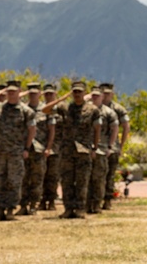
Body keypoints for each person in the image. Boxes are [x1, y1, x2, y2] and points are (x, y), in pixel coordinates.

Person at [0, 80, 36, 221]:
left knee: (14, 181)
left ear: (19, 92)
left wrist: (26, 148)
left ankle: (10, 209)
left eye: (14, 91)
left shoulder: (26, 111)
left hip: (16, 152)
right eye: (9, 91)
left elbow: (32, 130)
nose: (11, 94)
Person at [43, 81, 102, 219]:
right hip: (67, 150)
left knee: (82, 181)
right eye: (74, 92)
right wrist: (61, 98)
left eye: (79, 92)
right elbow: (45, 110)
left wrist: (95, 148)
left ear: (84, 93)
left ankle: (80, 208)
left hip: (84, 150)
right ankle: (68, 209)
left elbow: (97, 130)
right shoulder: (65, 108)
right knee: (67, 181)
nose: (77, 94)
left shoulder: (93, 110)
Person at [18, 82, 54, 215]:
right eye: (30, 93)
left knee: (37, 178)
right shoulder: (22, 109)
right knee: (23, 177)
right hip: (23, 149)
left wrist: (48, 147)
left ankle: (33, 204)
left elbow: (52, 130)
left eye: (35, 92)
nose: (33, 95)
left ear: (40, 94)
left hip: (39, 149)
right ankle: (23, 205)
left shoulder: (46, 109)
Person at [87, 88, 117, 214]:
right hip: (86, 149)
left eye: (97, 96)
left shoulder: (108, 112)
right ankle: (86, 204)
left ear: (102, 97)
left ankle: (97, 203)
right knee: (85, 178)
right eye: (92, 96)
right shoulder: (85, 111)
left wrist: (110, 146)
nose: (94, 98)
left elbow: (114, 129)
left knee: (99, 178)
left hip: (101, 149)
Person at [100, 83, 130, 211]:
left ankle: (107, 201)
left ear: (112, 94)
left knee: (110, 175)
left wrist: (121, 145)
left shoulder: (118, 109)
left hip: (112, 147)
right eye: (104, 93)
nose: (106, 96)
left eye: (108, 93)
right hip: (97, 147)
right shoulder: (93, 108)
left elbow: (126, 127)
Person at [40, 83, 61, 211]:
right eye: (46, 94)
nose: (48, 96)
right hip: (41, 148)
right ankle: (42, 200)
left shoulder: (61, 109)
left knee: (53, 176)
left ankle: (52, 200)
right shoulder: (40, 109)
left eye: (51, 94)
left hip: (57, 148)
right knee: (41, 175)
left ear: (55, 94)